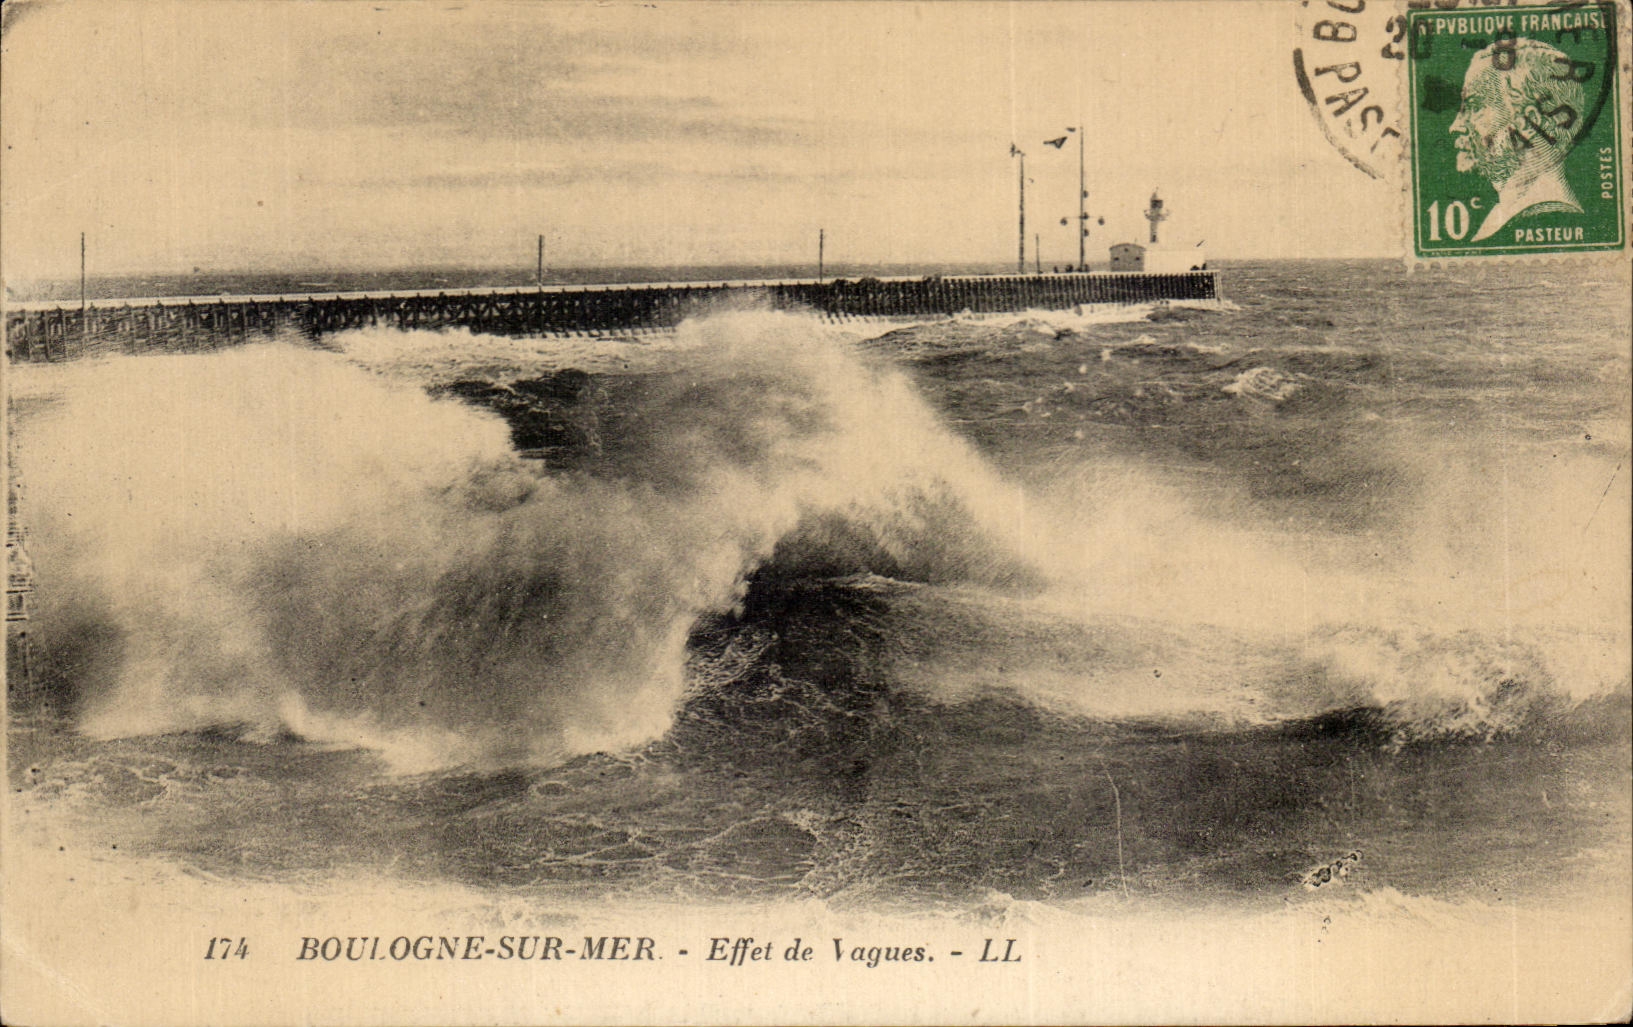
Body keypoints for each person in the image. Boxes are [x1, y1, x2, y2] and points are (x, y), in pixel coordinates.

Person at [1448, 37, 1588, 241]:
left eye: (1475, 106)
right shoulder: (1504, 217)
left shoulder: (1544, 218)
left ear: (1531, 121)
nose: (1456, 126)